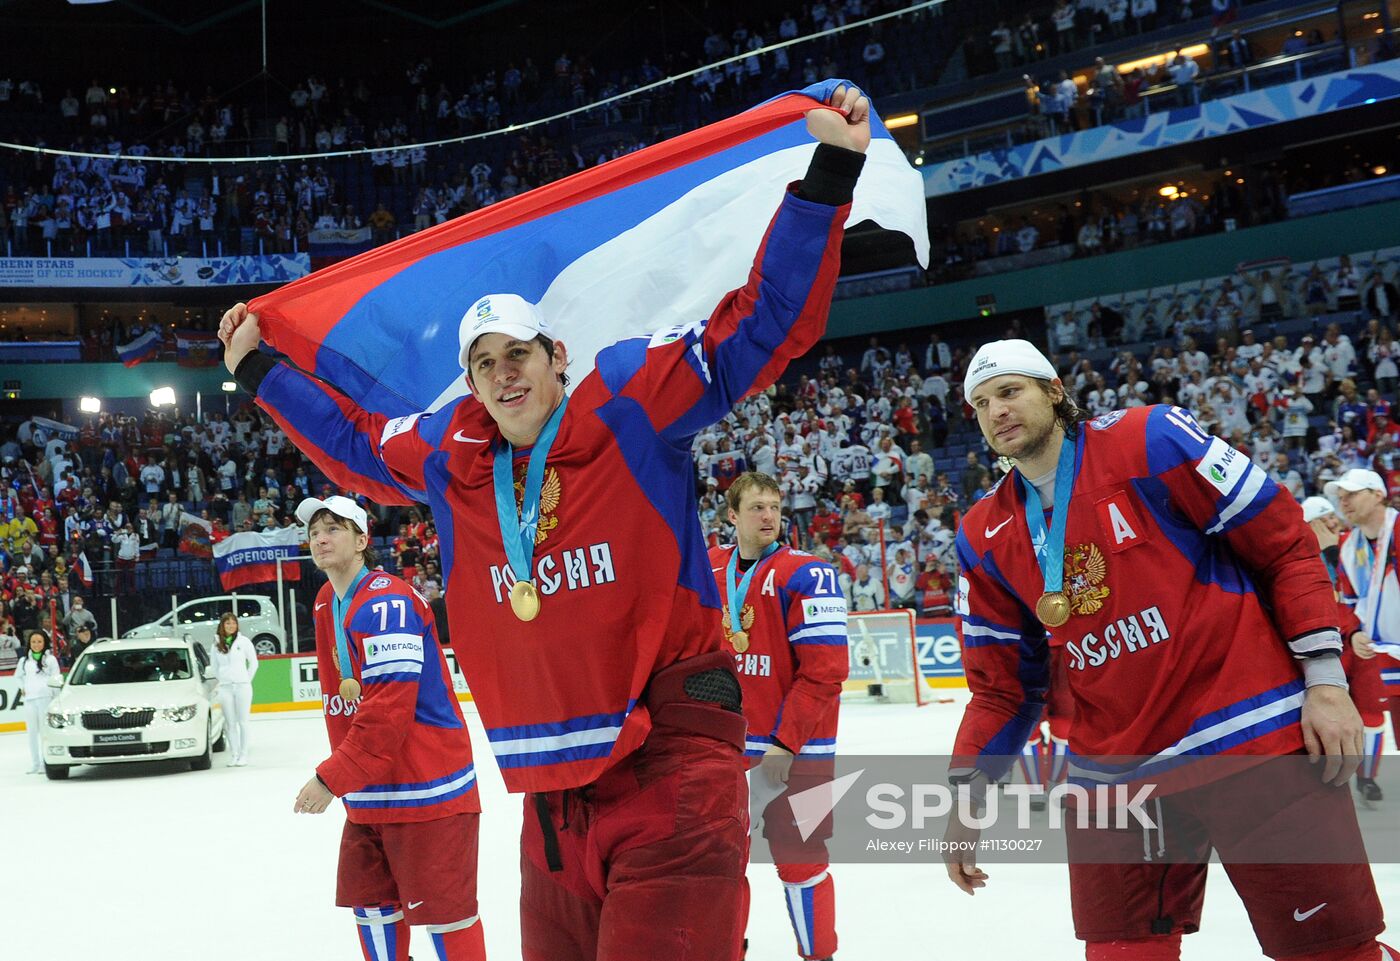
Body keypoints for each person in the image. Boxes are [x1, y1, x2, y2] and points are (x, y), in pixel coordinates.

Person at [223, 85, 871, 961]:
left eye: (518, 354)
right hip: (553, 800)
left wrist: (828, 176)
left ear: (555, 355)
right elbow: (353, 445)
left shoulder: (630, 402)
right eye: (483, 364)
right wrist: (260, 369)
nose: (501, 375)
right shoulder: (453, 454)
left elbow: (762, 327)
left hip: (671, 765)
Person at [945, 339, 1389, 961]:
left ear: (1053, 392)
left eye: (1011, 391)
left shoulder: (1149, 438)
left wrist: (1325, 679)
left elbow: (1284, 542)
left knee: (1332, 950)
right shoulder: (982, 534)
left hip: (1248, 735)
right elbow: (1003, 686)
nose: (997, 411)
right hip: (1114, 771)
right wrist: (967, 794)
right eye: (982, 402)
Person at [291, 495, 486, 961]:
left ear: (362, 541)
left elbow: (387, 713)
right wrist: (349, 779)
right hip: (369, 792)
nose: (320, 537)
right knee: (371, 905)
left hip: (427, 790)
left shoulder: (386, 602)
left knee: (445, 916)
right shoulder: (326, 603)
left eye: (334, 528)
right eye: (314, 530)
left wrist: (330, 777)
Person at [708, 471, 848, 961]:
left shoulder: (809, 573)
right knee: (720, 866)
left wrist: (785, 744)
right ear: (732, 515)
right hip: (726, 751)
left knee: (801, 863)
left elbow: (826, 673)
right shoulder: (709, 567)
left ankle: (818, 956)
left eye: (774, 506)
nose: (768, 516)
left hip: (799, 750)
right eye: (756, 507)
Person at [1326, 471, 1400, 800]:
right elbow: (1350, 600)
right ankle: (1366, 777)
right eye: (1341, 495)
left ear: (1378, 495)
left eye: (1353, 493)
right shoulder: (1348, 545)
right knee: (1383, 715)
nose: (1344, 501)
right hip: (1378, 648)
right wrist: (1353, 630)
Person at [212, 612, 259, 767]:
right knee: (230, 723)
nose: (231, 626)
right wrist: (224, 679)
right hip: (225, 688)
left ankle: (244, 755)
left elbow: (253, 663)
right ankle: (234, 754)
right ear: (222, 625)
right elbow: (215, 667)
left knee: (243, 721)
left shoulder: (244, 641)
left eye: (233, 623)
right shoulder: (216, 644)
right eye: (227, 623)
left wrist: (246, 680)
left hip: (242, 687)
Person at [19, 628, 61, 774]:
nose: (36, 644)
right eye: (33, 642)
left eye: (39, 641)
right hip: (30, 700)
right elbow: (18, 676)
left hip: (45, 699)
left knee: (44, 732)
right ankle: (35, 763)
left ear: (45, 642)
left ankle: (46, 762)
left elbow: (56, 678)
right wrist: (22, 687)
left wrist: (56, 698)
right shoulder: (24, 661)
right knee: (32, 732)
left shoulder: (50, 659)